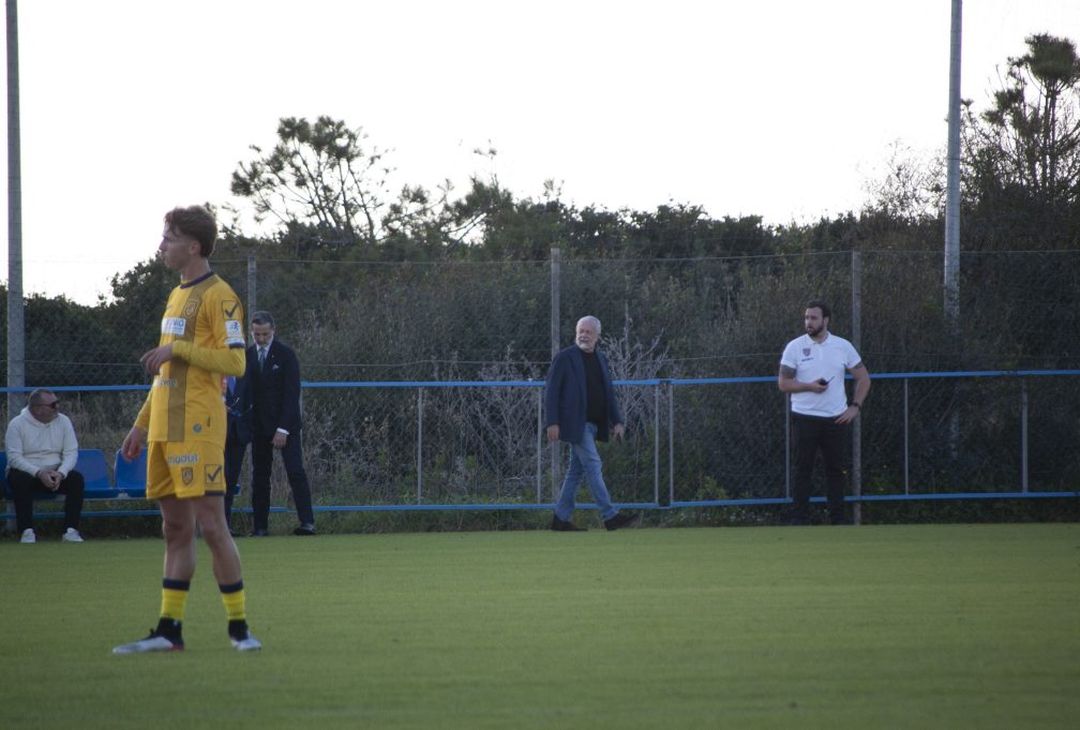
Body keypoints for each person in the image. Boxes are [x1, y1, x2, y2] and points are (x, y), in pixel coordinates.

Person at [113, 205, 261, 654]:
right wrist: (141, 425)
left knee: (213, 526)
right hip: (164, 426)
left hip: (197, 426)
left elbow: (236, 362)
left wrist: (179, 347)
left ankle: (239, 630)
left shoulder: (221, 296)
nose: (161, 246)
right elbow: (166, 371)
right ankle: (169, 630)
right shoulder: (176, 296)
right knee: (174, 530)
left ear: (193, 246)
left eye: (169, 238)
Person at [778, 299, 871, 525]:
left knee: (835, 470)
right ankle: (799, 520)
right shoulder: (795, 347)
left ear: (825, 320)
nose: (808, 322)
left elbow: (863, 378)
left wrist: (854, 407)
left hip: (835, 419)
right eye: (806, 318)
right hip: (804, 418)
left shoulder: (842, 346)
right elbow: (783, 383)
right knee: (802, 470)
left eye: (813, 318)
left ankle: (837, 520)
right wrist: (810, 386)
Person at [544, 315, 639, 532]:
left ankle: (560, 519)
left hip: (595, 424)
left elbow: (608, 392)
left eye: (588, 332)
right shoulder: (565, 358)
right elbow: (551, 392)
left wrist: (617, 421)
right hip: (576, 425)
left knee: (575, 472)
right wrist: (552, 422)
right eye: (581, 331)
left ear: (597, 336)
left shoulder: (601, 359)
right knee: (594, 465)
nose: (584, 335)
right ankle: (610, 516)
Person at [247, 311, 316, 536]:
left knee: (295, 472)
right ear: (252, 332)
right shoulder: (247, 356)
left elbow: (291, 393)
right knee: (260, 477)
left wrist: (283, 429)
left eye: (265, 334)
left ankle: (307, 522)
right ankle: (260, 527)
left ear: (273, 331)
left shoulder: (286, 355)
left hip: (286, 426)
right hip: (258, 427)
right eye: (257, 334)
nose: (262, 339)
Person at [5, 388, 85, 544]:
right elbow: (14, 458)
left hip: (55, 474)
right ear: (38, 408)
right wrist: (39, 473)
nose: (58, 407)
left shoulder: (64, 421)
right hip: (27, 472)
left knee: (76, 480)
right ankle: (27, 531)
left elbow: (71, 452)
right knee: (19, 480)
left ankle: (70, 531)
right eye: (53, 405)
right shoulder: (16, 424)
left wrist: (60, 473)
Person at [222, 373, 251, 534]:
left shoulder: (244, 373)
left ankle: (226, 524)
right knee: (221, 479)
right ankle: (217, 525)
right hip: (217, 433)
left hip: (239, 434)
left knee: (231, 479)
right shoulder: (214, 372)